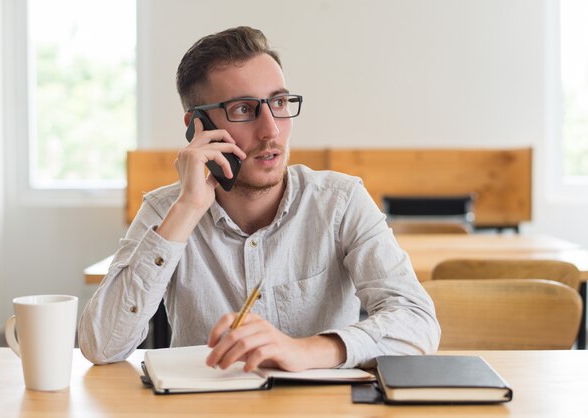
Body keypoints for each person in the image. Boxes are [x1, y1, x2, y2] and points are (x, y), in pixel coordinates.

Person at [79, 26, 440, 371]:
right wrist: (187, 210)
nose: (271, 130)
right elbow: (101, 346)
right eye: (243, 109)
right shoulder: (166, 210)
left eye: (279, 102)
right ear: (197, 126)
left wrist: (304, 350)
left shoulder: (340, 201)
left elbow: (417, 322)